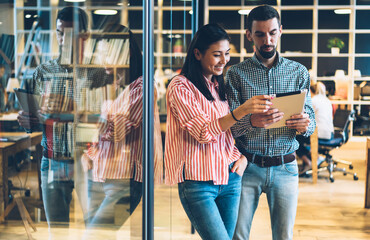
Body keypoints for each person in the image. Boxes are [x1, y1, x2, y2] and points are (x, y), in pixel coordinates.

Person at [165, 23, 273, 240]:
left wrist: (241, 157)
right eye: (217, 55)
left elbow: (229, 131)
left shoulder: (217, 86)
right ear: (197, 53)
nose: (224, 61)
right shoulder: (180, 87)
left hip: (230, 177)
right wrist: (242, 110)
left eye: (226, 54)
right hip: (198, 184)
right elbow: (204, 132)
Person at [225, 5, 316, 240]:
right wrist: (251, 121)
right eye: (260, 34)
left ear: (280, 31)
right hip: (247, 167)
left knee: (284, 236)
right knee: (238, 235)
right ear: (249, 35)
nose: (267, 40)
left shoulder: (298, 72)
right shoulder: (235, 74)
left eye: (272, 33)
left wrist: (305, 124)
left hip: (286, 166)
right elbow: (229, 127)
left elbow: (311, 120)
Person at [17, 7, 107, 227]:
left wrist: (71, 109)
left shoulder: (97, 73)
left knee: (96, 229)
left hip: (89, 161)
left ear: (84, 36)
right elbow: (36, 119)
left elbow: (104, 120)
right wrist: (28, 121)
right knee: (56, 230)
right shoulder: (43, 72)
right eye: (59, 33)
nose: (63, 39)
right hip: (53, 159)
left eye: (70, 34)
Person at [80, 24, 163, 227]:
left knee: (96, 234)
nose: (103, 60)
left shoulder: (143, 88)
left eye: (108, 52)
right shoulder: (115, 86)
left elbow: (114, 131)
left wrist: (82, 116)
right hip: (100, 174)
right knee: (96, 234)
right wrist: (89, 153)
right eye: (102, 53)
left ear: (128, 51)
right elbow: (100, 134)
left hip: (124, 180)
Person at [296, 81, 334, 174]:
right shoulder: (327, 101)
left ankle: (308, 162)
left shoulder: (313, 101)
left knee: (295, 140)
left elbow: (302, 114)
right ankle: (316, 158)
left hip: (319, 134)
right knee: (302, 139)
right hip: (330, 133)